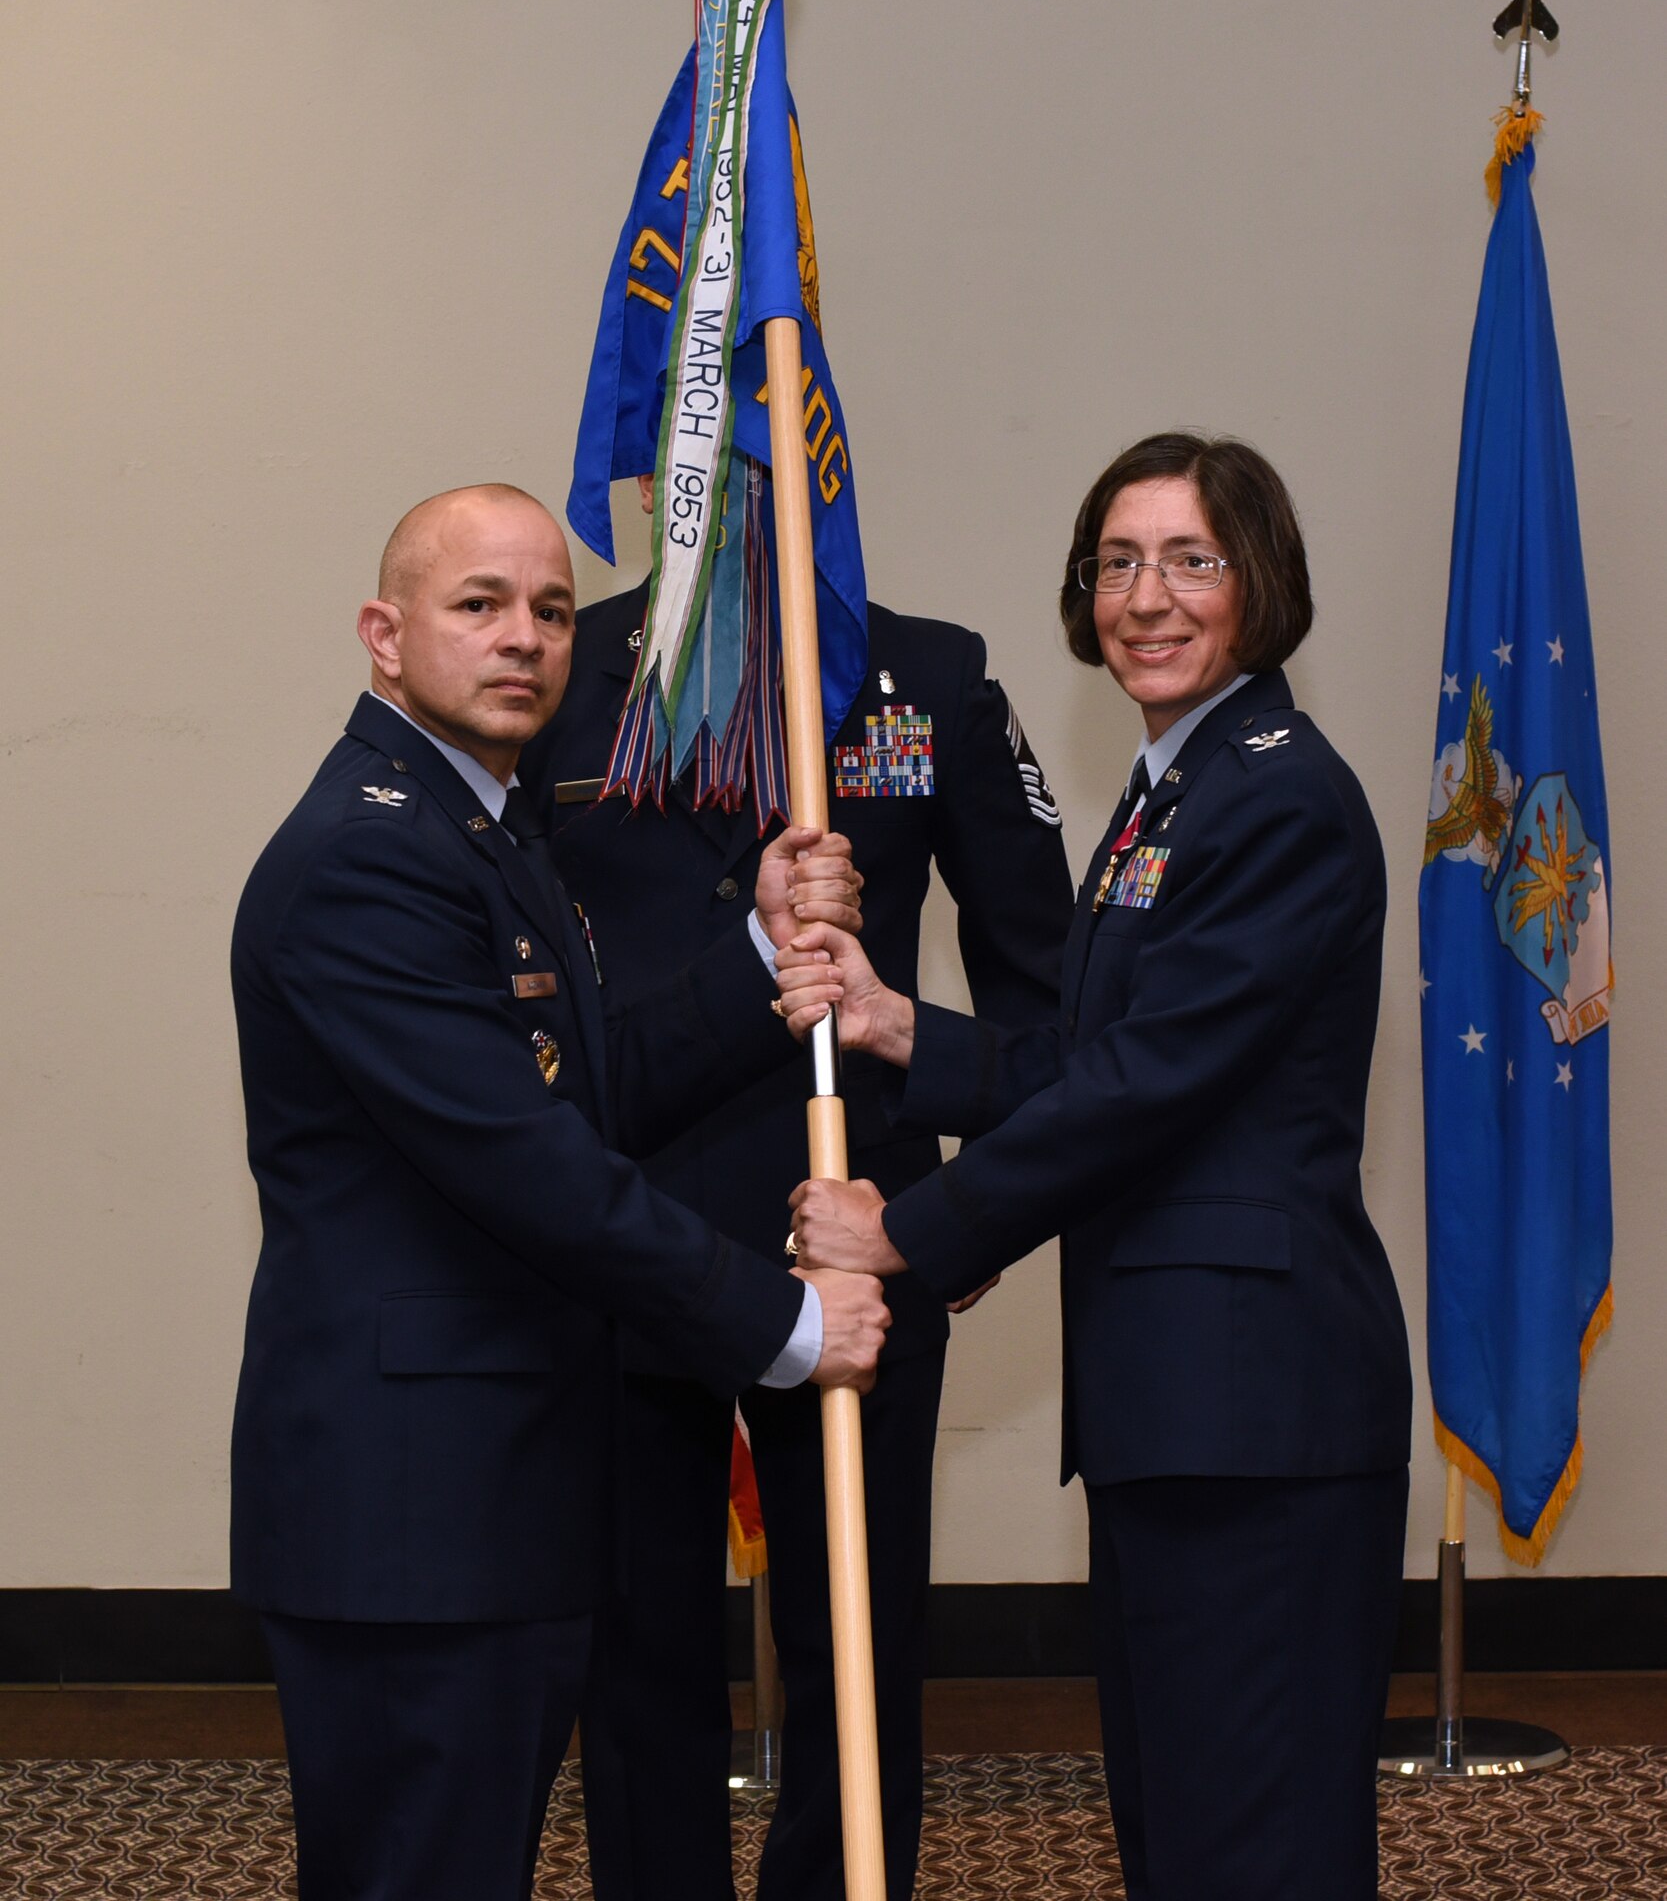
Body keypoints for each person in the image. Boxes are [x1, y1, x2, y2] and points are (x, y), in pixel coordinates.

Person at [228, 482, 892, 1901]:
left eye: (546, 609)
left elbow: (572, 1092)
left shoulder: (484, 832)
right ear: (384, 636)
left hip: (492, 1507)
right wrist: (784, 1323)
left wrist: (763, 957)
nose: (525, 639)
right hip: (410, 1521)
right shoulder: (369, 859)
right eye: (478, 606)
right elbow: (534, 1172)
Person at [784, 433, 1414, 1901]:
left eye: (1191, 559)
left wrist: (907, 1229)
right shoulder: (1168, 792)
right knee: (1187, 1824)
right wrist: (896, 1030)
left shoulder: (1273, 797)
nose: (1147, 597)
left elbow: (1146, 1088)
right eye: (1117, 562)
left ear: (1261, 583)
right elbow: (1095, 1056)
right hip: (1179, 1402)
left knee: (1253, 1840)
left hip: (1255, 1409)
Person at [515, 484, 1075, 1901]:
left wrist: (983, 1197)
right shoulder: (570, 669)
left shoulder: (925, 677)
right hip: (630, 1228)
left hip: (856, 1227)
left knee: (860, 1635)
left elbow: (1053, 1000)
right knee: (637, 1643)